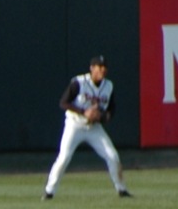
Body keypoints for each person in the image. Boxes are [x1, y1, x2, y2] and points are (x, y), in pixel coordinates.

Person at [43, 54, 131, 199]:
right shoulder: (79, 82)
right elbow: (63, 103)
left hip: (94, 128)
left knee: (113, 156)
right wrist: (84, 112)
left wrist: (102, 117)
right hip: (74, 124)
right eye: (99, 67)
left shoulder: (108, 86)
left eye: (104, 68)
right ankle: (49, 192)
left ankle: (122, 190)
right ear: (92, 68)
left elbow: (111, 110)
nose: (102, 70)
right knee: (64, 157)